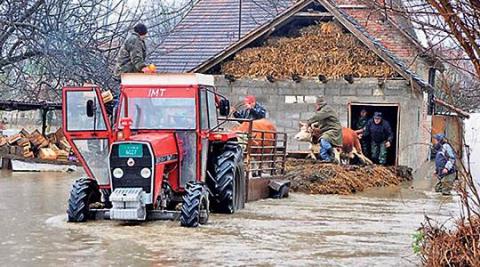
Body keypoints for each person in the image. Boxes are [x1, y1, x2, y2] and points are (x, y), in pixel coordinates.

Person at [306, 96, 342, 162]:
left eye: (316, 105)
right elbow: (323, 122)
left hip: (333, 130)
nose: (315, 106)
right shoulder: (324, 111)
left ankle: (332, 154)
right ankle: (328, 160)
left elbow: (318, 117)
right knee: (322, 151)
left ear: (319, 104)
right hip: (327, 130)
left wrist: (308, 122)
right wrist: (315, 125)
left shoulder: (326, 109)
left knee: (324, 140)